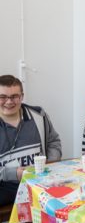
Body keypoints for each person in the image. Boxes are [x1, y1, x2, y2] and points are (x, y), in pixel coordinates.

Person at [0, 75, 62, 207]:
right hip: (5, 185)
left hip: (40, 180)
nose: (9, 101)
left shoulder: (38, 115)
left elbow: (53, 142)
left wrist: (50, 164)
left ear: (22, 96)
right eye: (3, 97)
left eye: (14, 96)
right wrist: (12, 173)